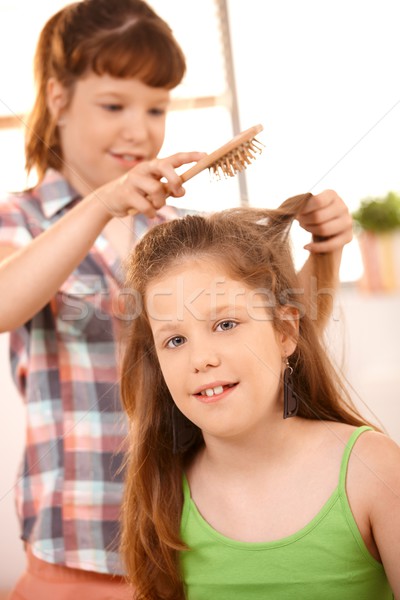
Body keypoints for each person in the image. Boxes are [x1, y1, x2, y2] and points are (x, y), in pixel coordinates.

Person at [0, 0, 352, 597]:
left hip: (189, 541)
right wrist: (104, 203)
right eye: (114, 105)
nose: (140, 129)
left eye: (156, 107)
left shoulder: (180, 235)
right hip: (76, 548)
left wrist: (324, 252)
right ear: (58, 98)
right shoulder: (22, 220)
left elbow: (281, 342)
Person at [120, 195, 399, 600]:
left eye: (226, 323)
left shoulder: (371, 469)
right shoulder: (164, 491)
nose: (201, 359)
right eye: (175, 340)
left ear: (284, 332)